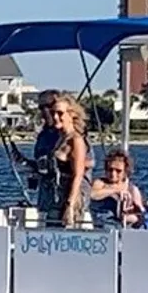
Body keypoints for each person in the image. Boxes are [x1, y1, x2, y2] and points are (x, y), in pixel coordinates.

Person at [40, 94, 91, 227]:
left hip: (69, 200)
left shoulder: (76, 140)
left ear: (71, 115)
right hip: (55, 198)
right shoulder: (60, 139)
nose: (55, 117)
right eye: (53, 113)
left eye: (60, 113)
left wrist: (70, 205)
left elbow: (78, 175)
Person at [90, 148, 144, 228]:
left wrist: (127, 215)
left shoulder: (132, 189)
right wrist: (115, 191)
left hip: (122, 227)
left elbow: (140, 216)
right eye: (110, 170)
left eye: (118, 171)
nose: (113, 174)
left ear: (126, 171)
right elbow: (92, 194)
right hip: (100, 226)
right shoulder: (100, 183)